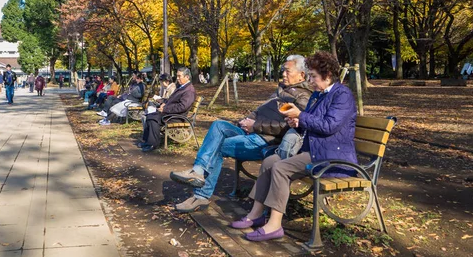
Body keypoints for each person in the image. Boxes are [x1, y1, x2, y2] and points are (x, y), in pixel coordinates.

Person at [232, 51, 357, 242]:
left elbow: (330, 126)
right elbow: (313, 121)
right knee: (270, 161)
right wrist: (297, 121)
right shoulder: (319, 94)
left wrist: (301, 116)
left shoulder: (342, 95)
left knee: (281, 167)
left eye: (314, 76)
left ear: (328, 75)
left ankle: (274, 225)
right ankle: (256, 214)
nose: (311, 81)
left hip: (332, 157)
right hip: (315, 151)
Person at [169, 55, 312, 213]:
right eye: (283, 70)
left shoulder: (303, 96)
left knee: (217, 146)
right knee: (218, 125)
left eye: (287, 71)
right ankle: (198, 172)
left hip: (266, 141)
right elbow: (261, 111)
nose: (283, 74)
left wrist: (255, 126)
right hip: (252, 131)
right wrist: (246, 120)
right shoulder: (281, 89)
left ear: (302, 75)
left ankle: (201, 194)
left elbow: (290, 126)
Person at [139, 68, 196, 152]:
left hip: (177, 117)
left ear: (187, 77)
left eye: (179, 76)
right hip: (171, 113)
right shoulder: (182, 87)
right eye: (177, 76)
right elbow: (172, 100)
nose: (177, 78)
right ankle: (147, 141)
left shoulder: (189, 90)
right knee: (150, 115)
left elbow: (182, 106)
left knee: (154, 118)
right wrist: (164, 103)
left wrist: (165, 109)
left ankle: (153, 144)